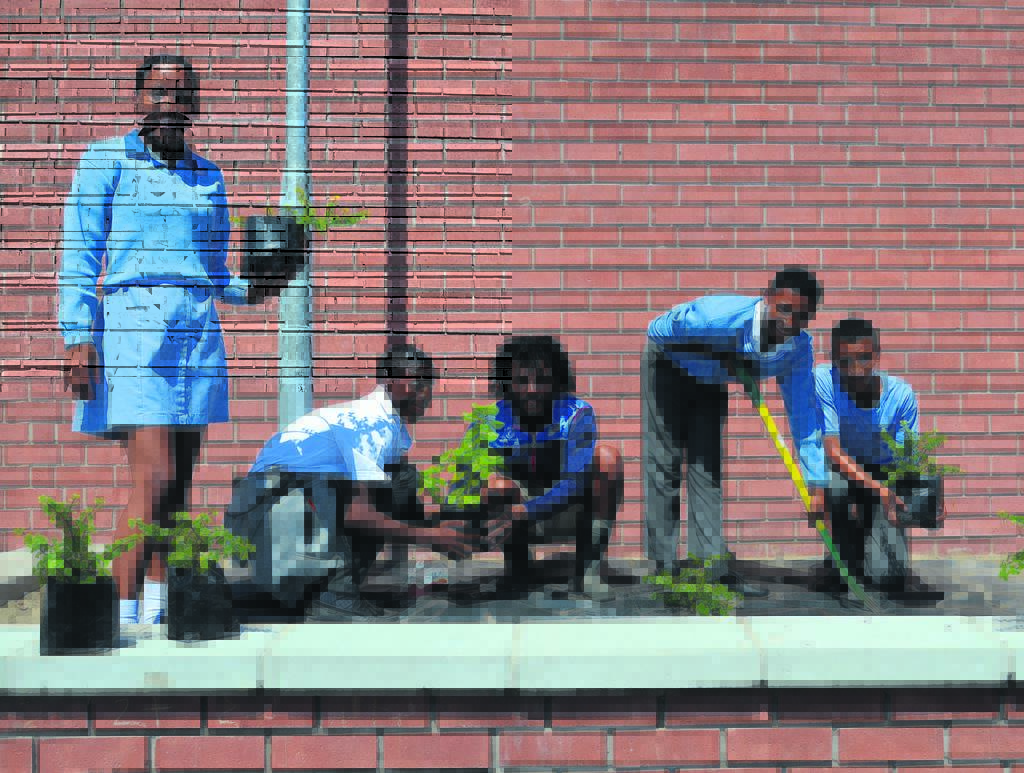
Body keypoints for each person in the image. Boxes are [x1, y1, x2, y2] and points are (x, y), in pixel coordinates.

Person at [59, 55, 295, 625]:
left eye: (182, 93)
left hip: (197, 329)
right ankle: (115, 611)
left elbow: (213, 272)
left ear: (195, 105)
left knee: (181, 482)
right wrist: (77, 336)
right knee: (155, 477)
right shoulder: (106, 161)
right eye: (158, 92)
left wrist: (259, 287)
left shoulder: (207, 175)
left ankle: (159, 607)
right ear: (137, 99)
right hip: (134, 324)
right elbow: (80, 252)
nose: (170, 103)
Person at [225, 343, 474, 621]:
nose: (425, 394)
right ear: (390, 382)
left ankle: (331, 588)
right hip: (270, 517)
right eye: (416, 384)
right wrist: (433, 537)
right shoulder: (370, 423)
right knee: (377, 491)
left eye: (429, 385)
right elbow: (359, 514)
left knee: (400, 481)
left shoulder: (386, 423)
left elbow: (398, 502)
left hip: (280, 515)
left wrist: (439, 530)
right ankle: (333, 594)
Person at [643, 266, 828, 596]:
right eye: (784, 309)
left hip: (711, 380)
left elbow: (804, 415)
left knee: (706, 468)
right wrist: (716, 353)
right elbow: (656, 330)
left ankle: (709, 569)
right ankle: (664, 571)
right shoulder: (716, 317)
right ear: (767, 297)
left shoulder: (798, 349)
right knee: (665, 464)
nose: (790, 322)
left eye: (802, 316)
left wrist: (816, 482)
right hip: (668, 365)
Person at [455, 335, 624, 600]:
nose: (532, 390)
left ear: (557, 380)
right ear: (507, 382)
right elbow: (463, 483)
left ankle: (588, 571)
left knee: (607, 458)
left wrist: (528, 510)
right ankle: (518, 569)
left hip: (568, 512)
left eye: (542, 380)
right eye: (522, 381)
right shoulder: (488, 420)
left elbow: (577, 481)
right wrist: (460, 526)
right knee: (494, 485)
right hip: (512, 521)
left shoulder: (577, 413)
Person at [811, 317, 943, 603]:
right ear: (833, 359)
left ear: (877, 355)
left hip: (885, 470)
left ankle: (871, 548)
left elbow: (908, 459)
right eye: (844, 361)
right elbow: (832, 450)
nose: (855, 369)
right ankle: (842, 561)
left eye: (864, 358)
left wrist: (927, 498)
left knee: (888, 578)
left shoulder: (901, 395)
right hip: (842, 468)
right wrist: (819, 490)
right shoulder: (824, 381)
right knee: (834, 486)